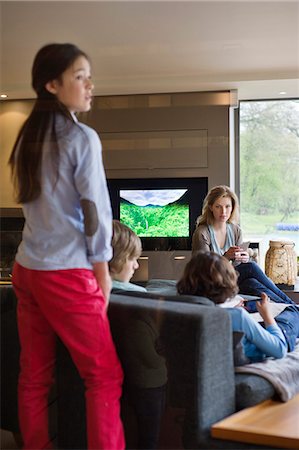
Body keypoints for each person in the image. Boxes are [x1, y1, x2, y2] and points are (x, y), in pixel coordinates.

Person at [9, 43, 124, 450]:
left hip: (27, 268)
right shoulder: (80, 137)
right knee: (104, 376)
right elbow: (94, 210)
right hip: (66, 273)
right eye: (80, 76)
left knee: (34, 377)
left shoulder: (26, 138)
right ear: (52, 84)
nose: (90, 84)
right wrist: (103, 270)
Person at [192, 185, 299, 351]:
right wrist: (226, 257)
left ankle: (291, 309)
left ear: (232, 208)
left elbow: (237, 265)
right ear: (211, 207)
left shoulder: (235, 230)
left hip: (232, 279)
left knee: (253, 283)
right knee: (251, 268)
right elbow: (202, 270)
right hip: (212, 281)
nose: (224, 211)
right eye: (219, 206)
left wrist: (243, 257)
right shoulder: (202, 233)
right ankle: (294, 306)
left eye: (228, 206)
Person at [109, 220, 167, 449]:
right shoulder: (141, 296)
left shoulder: (91, 291)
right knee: (148, 436)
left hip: (111, 376)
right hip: (147, 379)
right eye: (132, 259)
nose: (135, 266)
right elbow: (151, 343)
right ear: (117, 259)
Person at [177, 252, 288, 362]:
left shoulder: (176, 311)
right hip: (265, 346)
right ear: (226, 283)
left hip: (196, 373)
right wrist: (267, 315)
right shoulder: (237, 317)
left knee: (251, 283)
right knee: (291, 312)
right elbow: (279, 349)